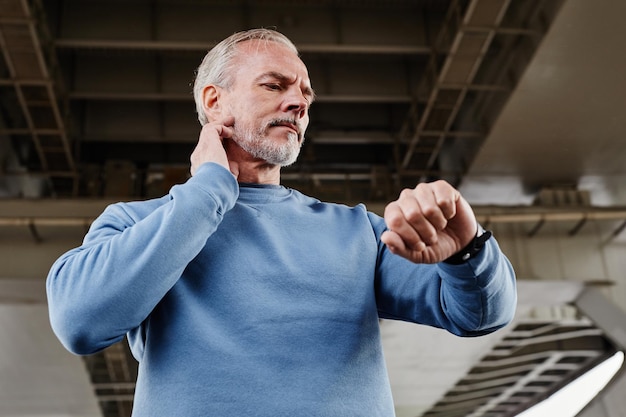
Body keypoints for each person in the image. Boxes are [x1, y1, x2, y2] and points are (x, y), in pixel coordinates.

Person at [46, 28, 516, 417]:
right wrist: (207, 191)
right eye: (274, 85)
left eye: (305, 92)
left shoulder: (357, 232)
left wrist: (467, 250)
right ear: (215, 102)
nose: (299, 102)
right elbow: (80, 322)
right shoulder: (138, 223)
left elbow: (480, 315)